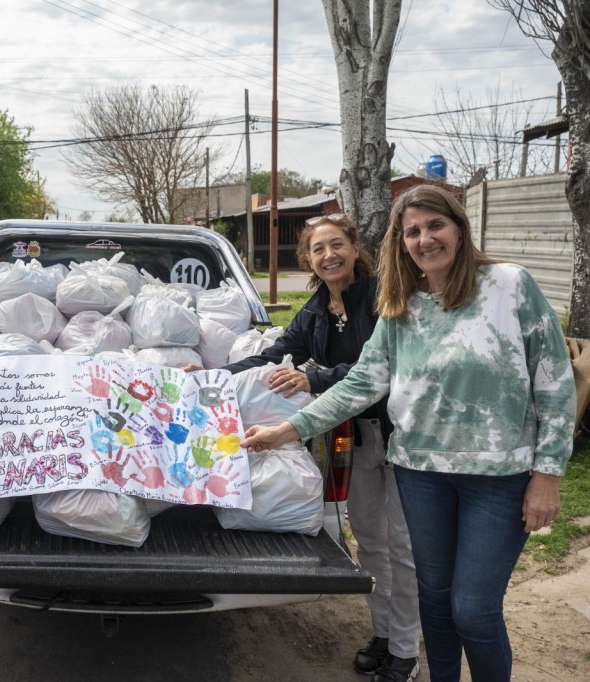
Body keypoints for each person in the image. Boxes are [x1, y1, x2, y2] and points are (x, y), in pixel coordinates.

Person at [241, 185, 576, 682]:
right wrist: (286, 431)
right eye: (412, 231)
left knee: (473, 610)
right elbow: (361, 383)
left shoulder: (509, 285)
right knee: (436, 604)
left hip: (498, 477)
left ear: (459, 229)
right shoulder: (400, 304)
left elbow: (554, 381)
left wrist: (547, 475)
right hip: (420, 475)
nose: (424, 239)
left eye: (434, 226)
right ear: (400, 242)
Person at [201, 213, 421, 681]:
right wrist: (210, 381)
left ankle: (406, 648)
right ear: (308, 259)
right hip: (357, 437)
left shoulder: (385, 298)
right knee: (372, 543)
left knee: (403, 546)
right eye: (318, 250)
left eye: (337, 245)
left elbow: (385, 369)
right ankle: (383, 635)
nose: (329, 256)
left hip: (403, 436)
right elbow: (273, 355)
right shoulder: (316, 310)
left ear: (354, 247)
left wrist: (315, 377)